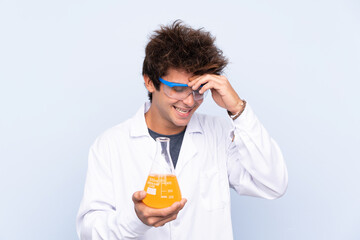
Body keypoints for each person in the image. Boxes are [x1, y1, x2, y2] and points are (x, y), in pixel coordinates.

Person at [76, 20, 288, 240]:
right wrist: (135, 220)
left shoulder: (219, 134)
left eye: (198, 90)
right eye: (177, 89)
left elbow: (272, 184)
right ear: (149, 82)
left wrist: (237, 109)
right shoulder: (111, 145)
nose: (189, 101)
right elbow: (88, 231)